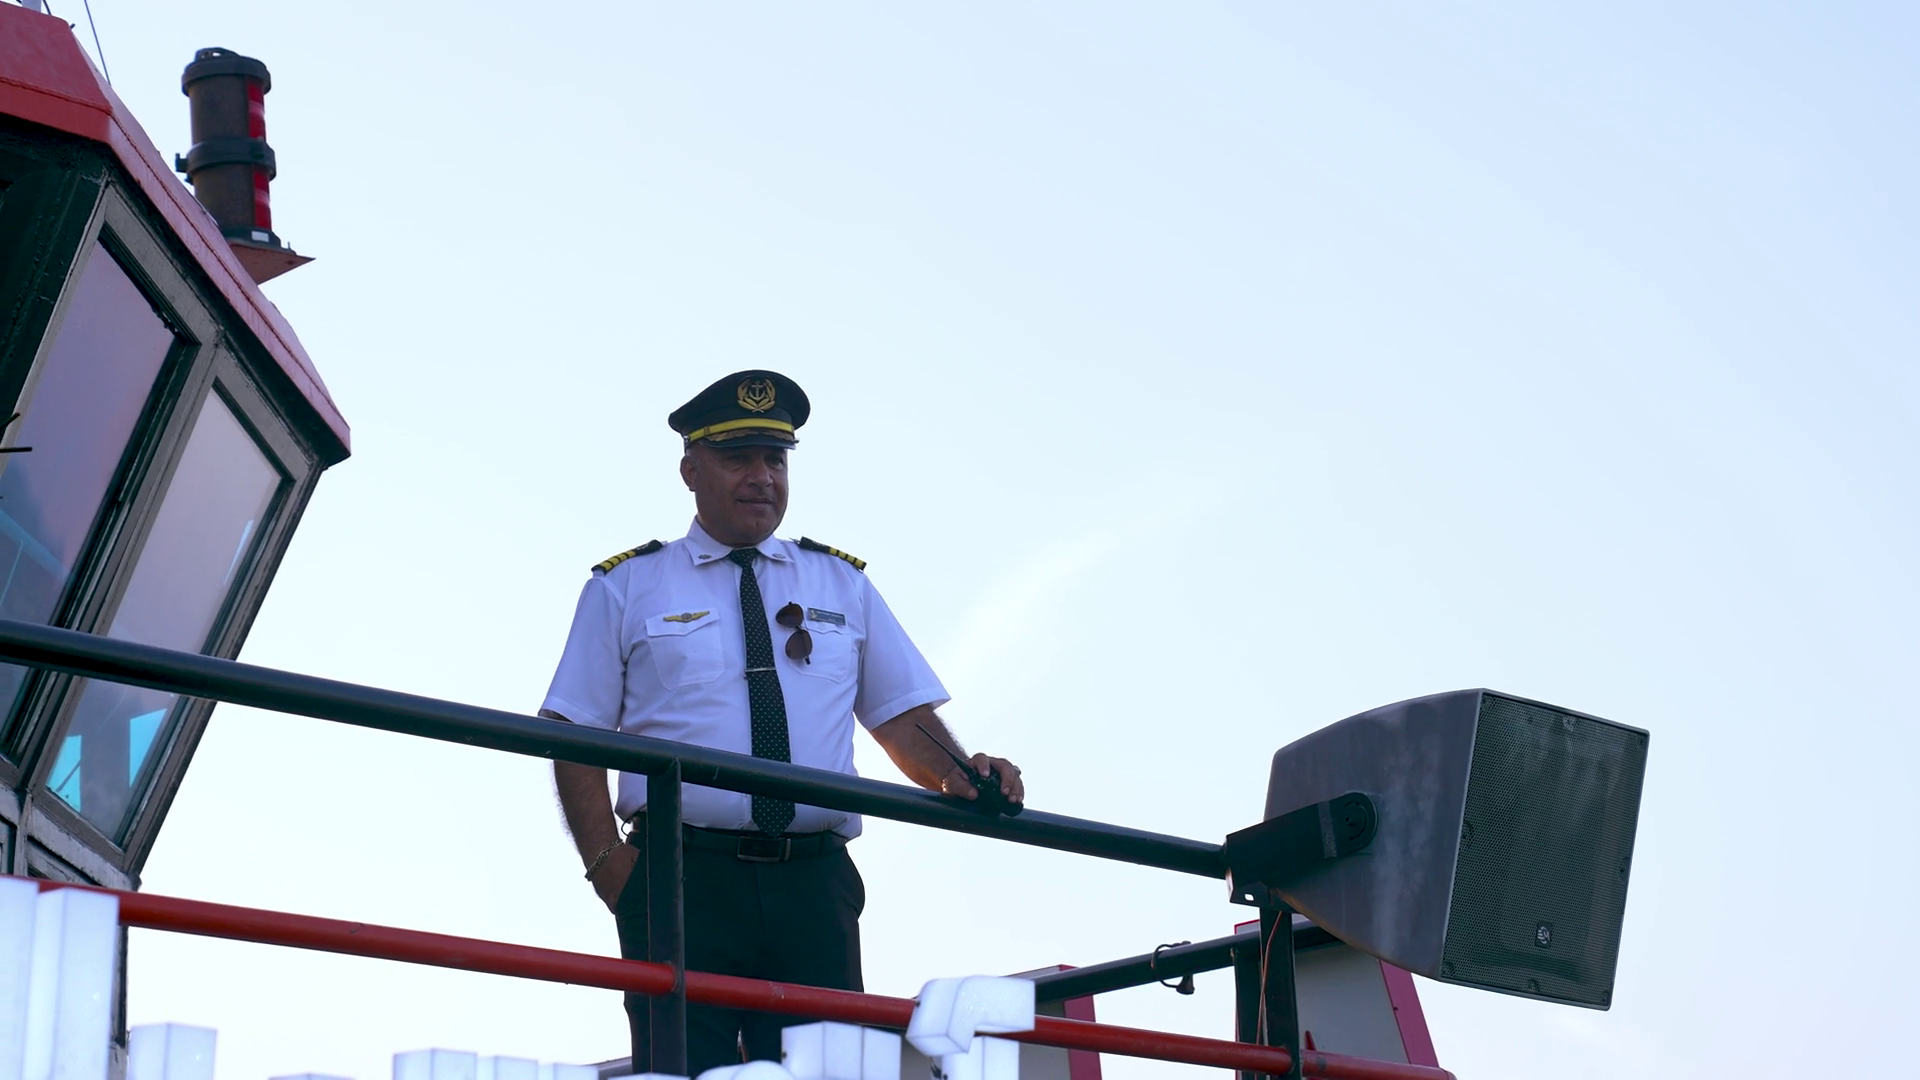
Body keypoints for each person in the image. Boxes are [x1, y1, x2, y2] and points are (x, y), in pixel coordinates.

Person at [539, 369, 1023, 1075]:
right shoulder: (627, 585)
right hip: (680, 878)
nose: (761, 477)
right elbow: (571, 733)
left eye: (775, 459)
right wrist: (609, 868)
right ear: (690, 470)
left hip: (813, 884)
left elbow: (901, 718)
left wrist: (961, 773)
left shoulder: (841, 582)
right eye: (738, 459)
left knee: (829, 1072)